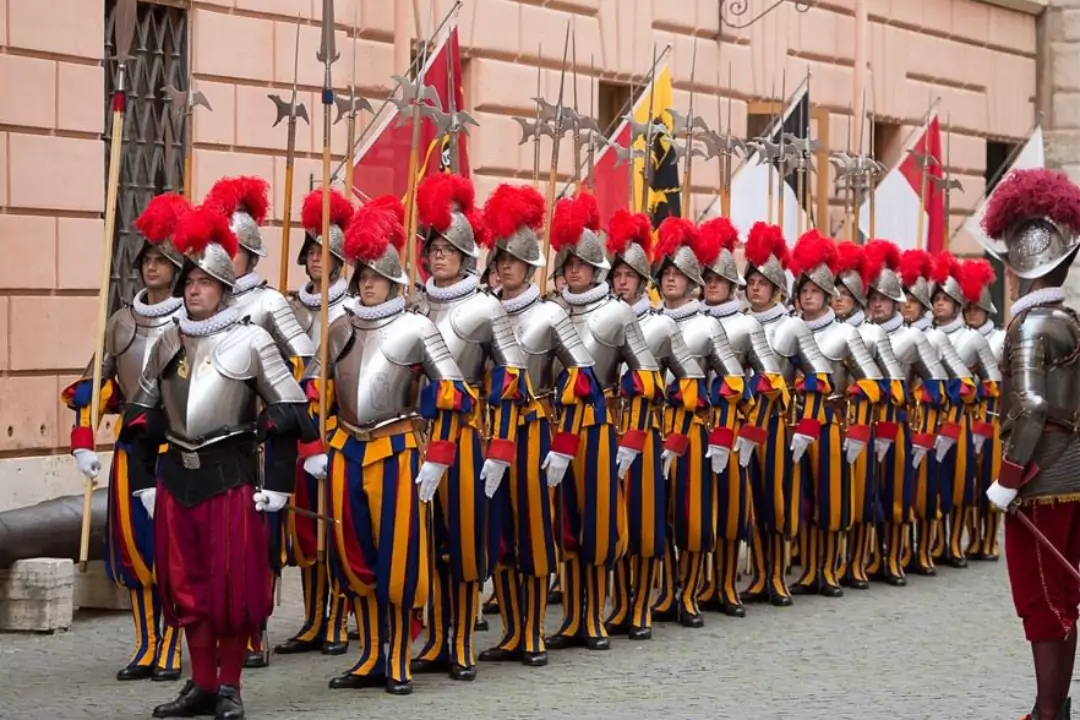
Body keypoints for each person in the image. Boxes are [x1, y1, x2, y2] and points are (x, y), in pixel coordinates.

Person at [124, 205, 318, 720]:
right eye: (189, 280)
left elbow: (290, 412)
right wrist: (144, 480)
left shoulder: (252, 339)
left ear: (225, 289)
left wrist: (278, 485)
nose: (193, 290)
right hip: (174, 480)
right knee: (184, 587)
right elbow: (140, 417)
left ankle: (230, 686)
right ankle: (202, 683)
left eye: (206, 283)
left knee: (231, 588)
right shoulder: (167, 338)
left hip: (231, 477)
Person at [299, 196, 475, 695]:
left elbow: (453, 396)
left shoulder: (417, 328)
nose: (368, 284)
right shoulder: (339, 327)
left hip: (398, 451)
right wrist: (314, 446)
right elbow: (317, 392)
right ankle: (372, 653)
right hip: (346, 450)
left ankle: (398, 655)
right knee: (355, 557)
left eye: (377, 276)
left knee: (397, 560)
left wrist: (439, 457)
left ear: (396, 279)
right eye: (362, 276)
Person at [62, 193, 190, 683]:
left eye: (162, 260)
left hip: (178, 449)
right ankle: (145, 644)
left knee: (171, 554)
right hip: (131, 450)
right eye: (147, 260)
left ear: (177, 267)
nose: (152, 267)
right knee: (135, 551)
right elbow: (91, 387)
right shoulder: (119, 321)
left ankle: (172, 646)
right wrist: (80, 441)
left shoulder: (191, 322)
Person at [409, 173, 527, 681]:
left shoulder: (487, 308)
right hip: (413, 436)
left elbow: (511, 379)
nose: (438, 256)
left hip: (463, 438)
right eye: (432, 248)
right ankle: (433, 635)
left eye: (447, 249)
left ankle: (459, 640)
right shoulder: (412, 304)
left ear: (465, 255)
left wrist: (499, 448)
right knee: (423, 542)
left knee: (461, 542)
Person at [477, 183, 598, 666]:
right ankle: (508, 629)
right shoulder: (482, 312)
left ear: (530, 265)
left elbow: (584, 380)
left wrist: (565, 443)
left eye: (512, 259)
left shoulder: (551, 315)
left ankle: (531, 632)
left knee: (532, 532)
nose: (504, 266)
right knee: (499, 532)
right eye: (499, 258)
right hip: (490, 432)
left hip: (533, 431)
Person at [203, 175, 317, 667]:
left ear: (250, 254)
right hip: (212, 437)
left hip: (260, 437)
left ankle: (254, 629)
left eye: (233, 249)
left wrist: (272, 397)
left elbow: (305, 358)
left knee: (257, 540)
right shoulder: (203, 301)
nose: (226, 257)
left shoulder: (270, 303)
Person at [981, 168, 1080, 720]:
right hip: (1070, 474)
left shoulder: (1029, 327)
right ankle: (1054, 706)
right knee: (1063, 600)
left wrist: (1008, 478)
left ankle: (1047, 712)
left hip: (1040, 480)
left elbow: (1034, 407)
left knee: (1043, 601)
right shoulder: (1068, 319)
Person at [546, 191, 662, 651]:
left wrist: (630, 427)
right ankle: (571, 615)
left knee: (596, 526)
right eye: (567, 263)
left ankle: (594, 615)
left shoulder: (616, 314)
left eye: (582, 263)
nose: (574, 270)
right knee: (564, 527)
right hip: (555, 427)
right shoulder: (549, 311)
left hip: (598, 428)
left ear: (597, 269)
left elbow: (648, 378)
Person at [606, 209, 707, 637]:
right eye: (618, 274)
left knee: (655, 524)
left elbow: (694, 385)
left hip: (654, 432)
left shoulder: (663, 326)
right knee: (613, 524)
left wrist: (674, 431)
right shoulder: (603, 319)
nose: (623, 281)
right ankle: (619, 601)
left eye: (631, 274)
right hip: (608, 432)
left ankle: (655, 601)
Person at [652, 216, 756, 627]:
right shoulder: (648, 322)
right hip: (652, 429)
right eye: (666, 273)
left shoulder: (709, 326)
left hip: (694, 429)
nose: (671, 279)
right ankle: (665, 590)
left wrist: (724, 432)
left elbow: (734, 384)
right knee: (657, 515)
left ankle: (690, 592)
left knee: (693, 517)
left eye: (679, 273)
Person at [274, 187, 356, 659]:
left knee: (337, 525)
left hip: (339, 425)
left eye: (324, 253)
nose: (315, 260)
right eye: (310, 252)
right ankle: (312, 616)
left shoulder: (350, 309)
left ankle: (340, 619)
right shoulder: (289, 306)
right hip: (300, 427)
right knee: (305, 530)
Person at [739, 222, 833, 606]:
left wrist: (807, 427)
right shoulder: (739, 324)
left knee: (776, 501)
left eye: (763, 282)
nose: (755, 288)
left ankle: (776, 575)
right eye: (751, 282)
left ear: (778, 289)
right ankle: (758, 573)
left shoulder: (792, 326)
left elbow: (819, 377)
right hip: (744, 423)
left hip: (777, 424)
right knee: (749, 501)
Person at [787, 231, 882, 598]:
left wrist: (856, 427)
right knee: (804, 500)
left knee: (830, 502)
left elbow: (872, 383)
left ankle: (828, 568)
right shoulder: (789, 330)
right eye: (803, 289)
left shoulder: (845, 335)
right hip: (795, 424)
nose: (807, 295)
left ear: (828, 296)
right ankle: (808, 568)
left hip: (831, 425)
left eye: (814, 290)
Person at [698, 216, 786, 617]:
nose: (713, 284)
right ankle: (697, 583)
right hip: (694, 424)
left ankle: (727, 583)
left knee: (734, 508)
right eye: (707, 277)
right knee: (697, 509)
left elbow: (771, 381)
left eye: (720, 278)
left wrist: (750, 430)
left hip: (733, 426)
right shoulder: (690, 321)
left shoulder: (746, 325)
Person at [862, 240, 949, 584]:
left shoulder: (914, 339)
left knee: (897, 493)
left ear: (896, 301)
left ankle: (896, 557)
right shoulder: (860, 334)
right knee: (868, 492)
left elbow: (939, 383)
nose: (878, 304)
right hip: (865, 422)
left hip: (898, 422)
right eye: (873, 298)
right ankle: (868, 556)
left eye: (884, 298)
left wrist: (916, 404)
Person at [831, 240, 905, 588]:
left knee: (864, 496)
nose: (838, 298)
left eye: (846, 292)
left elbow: (896, 383)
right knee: (833, 497)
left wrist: (861, 388)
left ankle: (859, 561)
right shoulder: (832, 330)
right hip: (832, 423)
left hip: (865, 421)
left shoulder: (874, 334)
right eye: (836, 291)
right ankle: (829, 562)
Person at [930, 252, 1001, 568]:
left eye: (947, 299)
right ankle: (936, 541)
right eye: (937, 299)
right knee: (933, 484)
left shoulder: (978, 339)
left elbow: (994, 383)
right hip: (931, 418)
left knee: (964, 483)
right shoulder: (926, 336)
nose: (940, 304)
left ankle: (966, 540)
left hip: (968, 418)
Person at [960, 258, 1005, 561]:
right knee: (966, 482)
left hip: (991, 417)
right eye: (968, 309)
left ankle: (988, 540)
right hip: (966, 415)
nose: (971, 313)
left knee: (990, 481)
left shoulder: (999, 338)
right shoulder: (961, 338)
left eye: (976, 309)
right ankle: (970, 536)